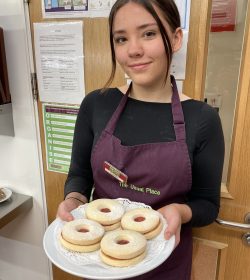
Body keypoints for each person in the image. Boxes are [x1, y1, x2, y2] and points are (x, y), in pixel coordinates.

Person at [56, 0, 225, 279]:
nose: (133, 50)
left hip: (165, 265)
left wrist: (180, 212)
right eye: (121, 38)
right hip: (101, 263)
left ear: (175, 38)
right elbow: (79, 175)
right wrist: (73, 199)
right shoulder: (96, 105)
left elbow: (207, 204)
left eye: (148, 33)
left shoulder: (202, 119)